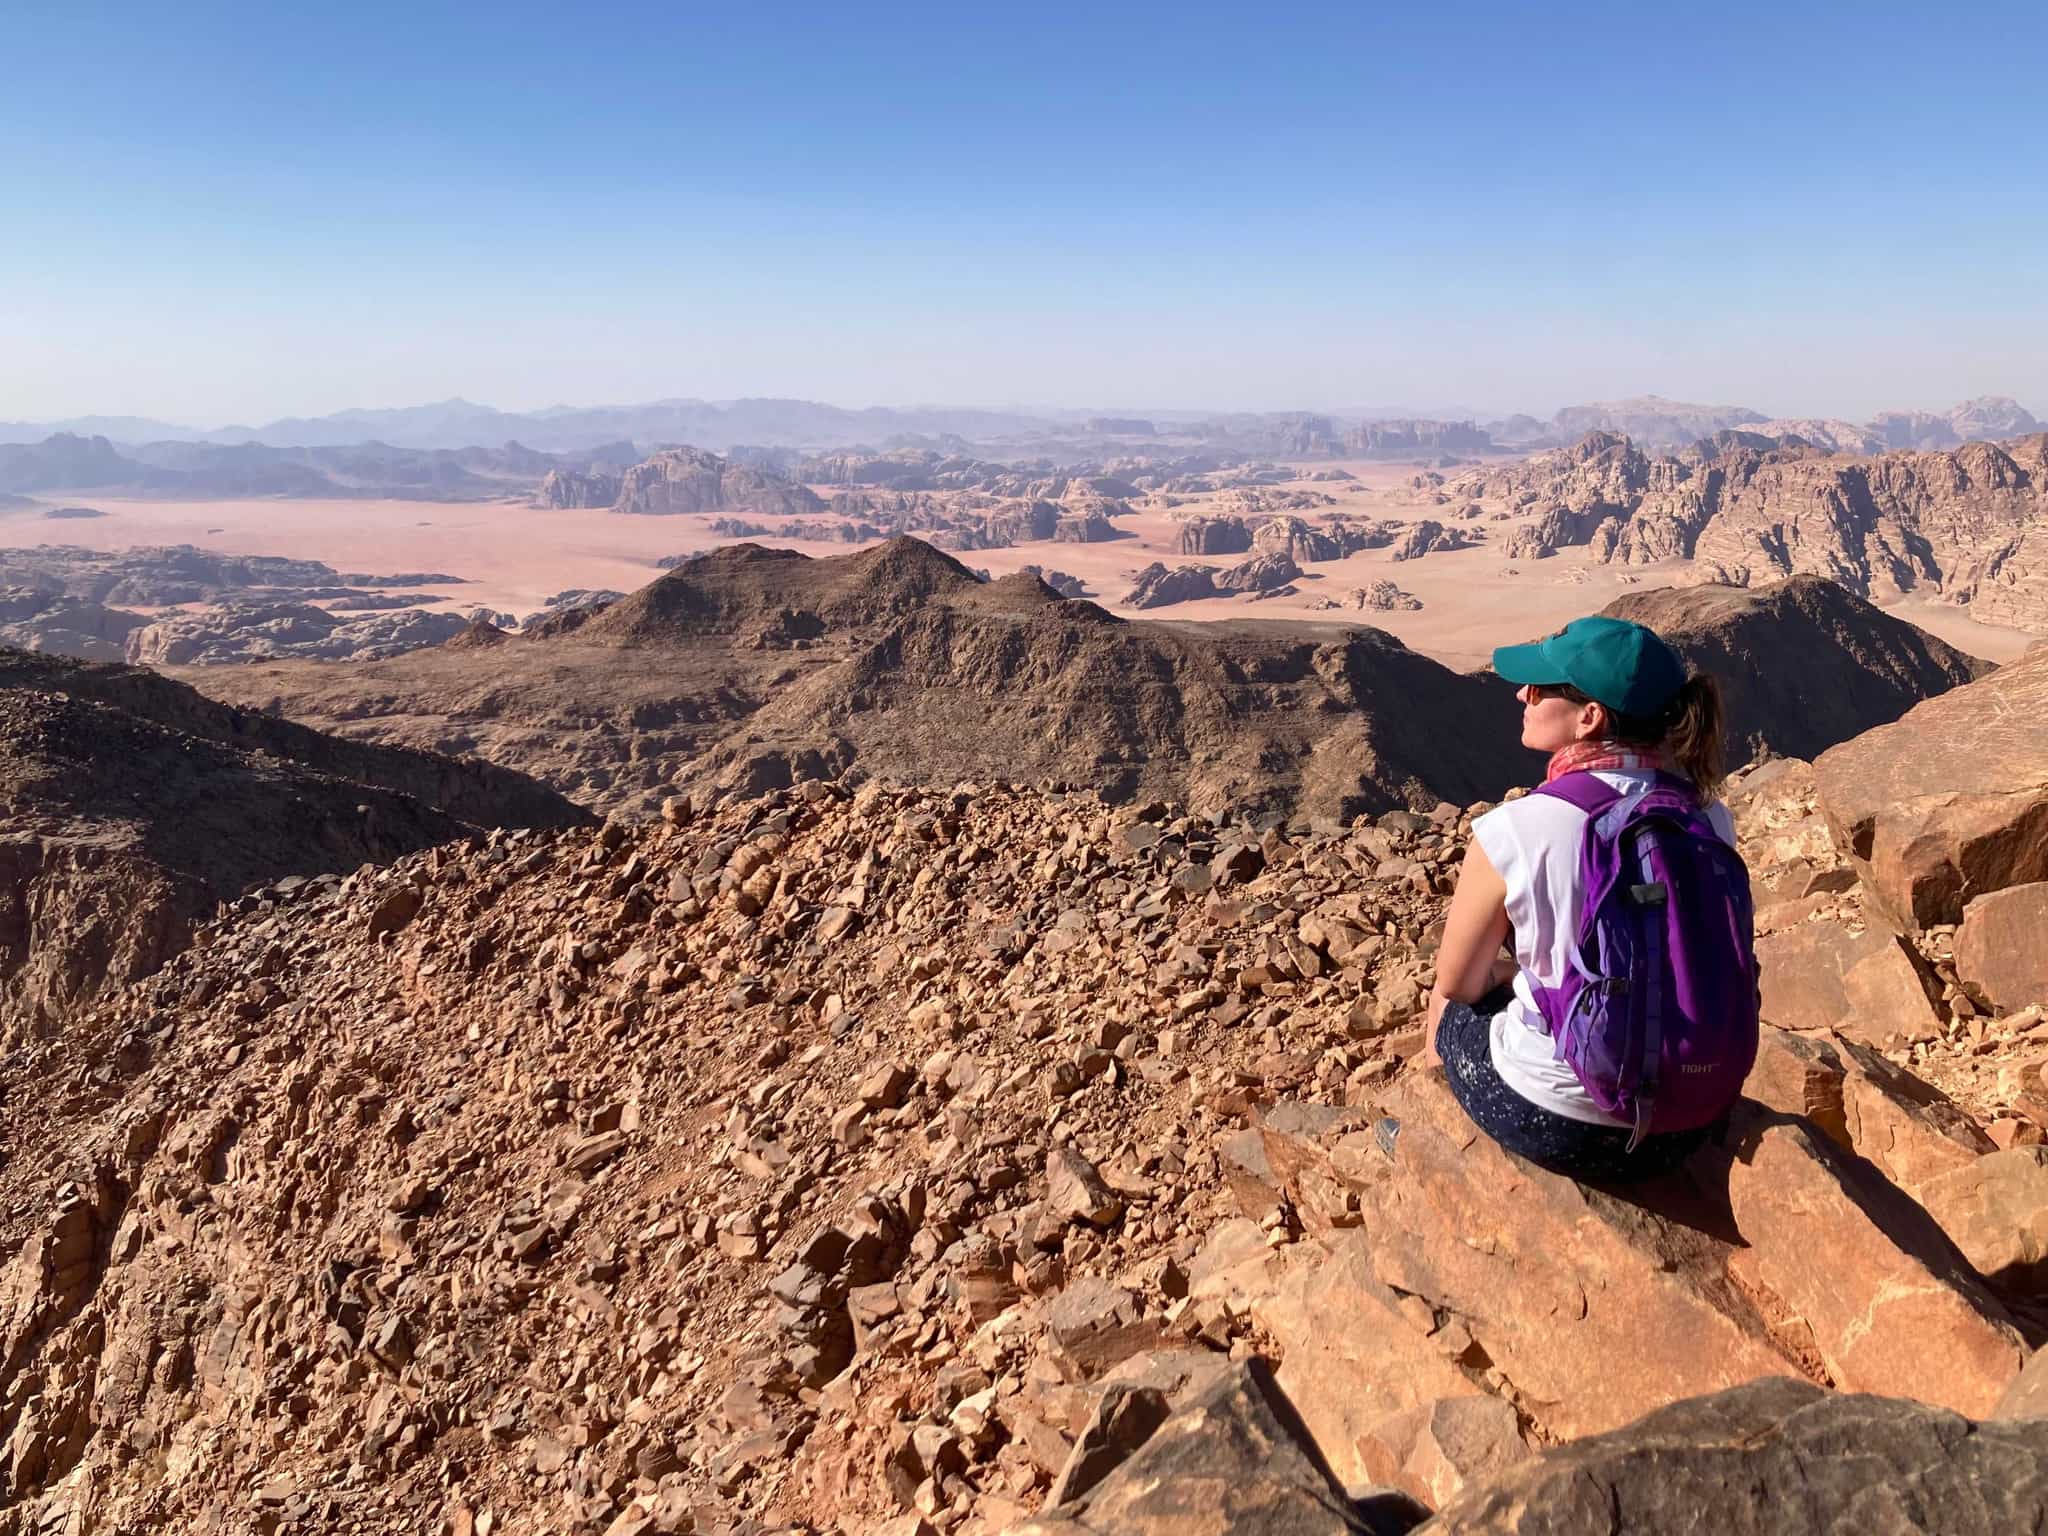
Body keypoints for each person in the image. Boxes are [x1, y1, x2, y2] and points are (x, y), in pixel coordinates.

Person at [1404, 614, 1752, 1182]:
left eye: (1541, 688)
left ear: (1589, 718)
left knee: (1454, 1004)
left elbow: (1456, 984)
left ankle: (1427, 1142)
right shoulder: (1709, 818)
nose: (1522, 693)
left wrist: (1503, 975)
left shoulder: (1515, 828)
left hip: (1563, 1124)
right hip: (1692, 1119)